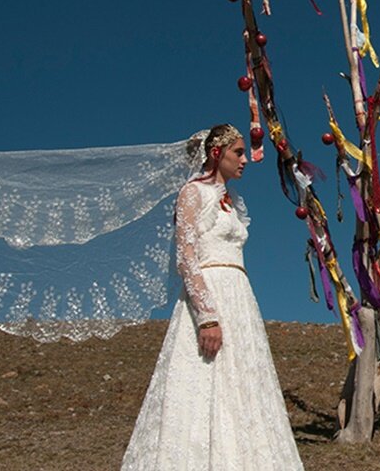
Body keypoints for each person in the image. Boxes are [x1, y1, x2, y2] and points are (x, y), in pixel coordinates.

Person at [121, 124, 304, 471]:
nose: (244, 160)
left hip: (239, 299)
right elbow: (186, 257)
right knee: (204, 384)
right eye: (238, 152)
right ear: (216, 153)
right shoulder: (193, 193)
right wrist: (207, 316)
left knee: (243, 384)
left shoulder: (232, 202)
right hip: (211, 292)